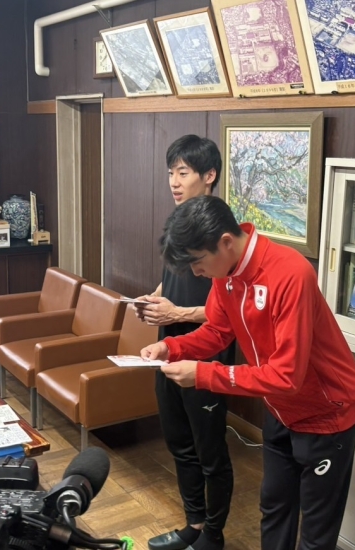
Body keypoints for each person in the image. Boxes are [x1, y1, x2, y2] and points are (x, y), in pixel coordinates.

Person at [141, 195, 355, 550]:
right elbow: (218, 331)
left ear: (225, 242)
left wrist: (204, 375)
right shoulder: (227, 273)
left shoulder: (290, 273)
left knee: (315, 534)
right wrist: (172, 347)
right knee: (274, 509)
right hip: (279, 406)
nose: (196, 273)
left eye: (197, 262)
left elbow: (287, 376)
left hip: (326, 413)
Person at [135, 136, 234, 550]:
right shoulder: (178, 224)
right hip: (169, 350)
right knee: (178, 441)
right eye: (170, 173)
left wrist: (176, 314)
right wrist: (155, 298)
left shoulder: (221, 235)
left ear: (209, 175)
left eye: (183, 172)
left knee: (210, 450)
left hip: (206, 355)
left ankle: (214, 534)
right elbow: (172, 280)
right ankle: (193, 523)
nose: (174, 182)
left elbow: (226, 313)